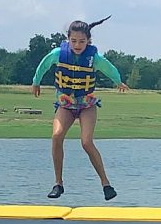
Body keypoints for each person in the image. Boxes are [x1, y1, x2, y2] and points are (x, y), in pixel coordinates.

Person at [31, 15, 129, 201]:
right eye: (74, 41)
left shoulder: (94, 59)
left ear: (88, 41)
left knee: (86, 142)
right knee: (57, 135)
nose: (77, 45)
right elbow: (43, 65)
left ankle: (106, 184)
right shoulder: (58, 54)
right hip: (65, 104)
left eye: (82, 41)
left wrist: (118, 82)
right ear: (68, 39)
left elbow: (110, 69)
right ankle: (58, 184)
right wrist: (36, 82)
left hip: (87, 105)